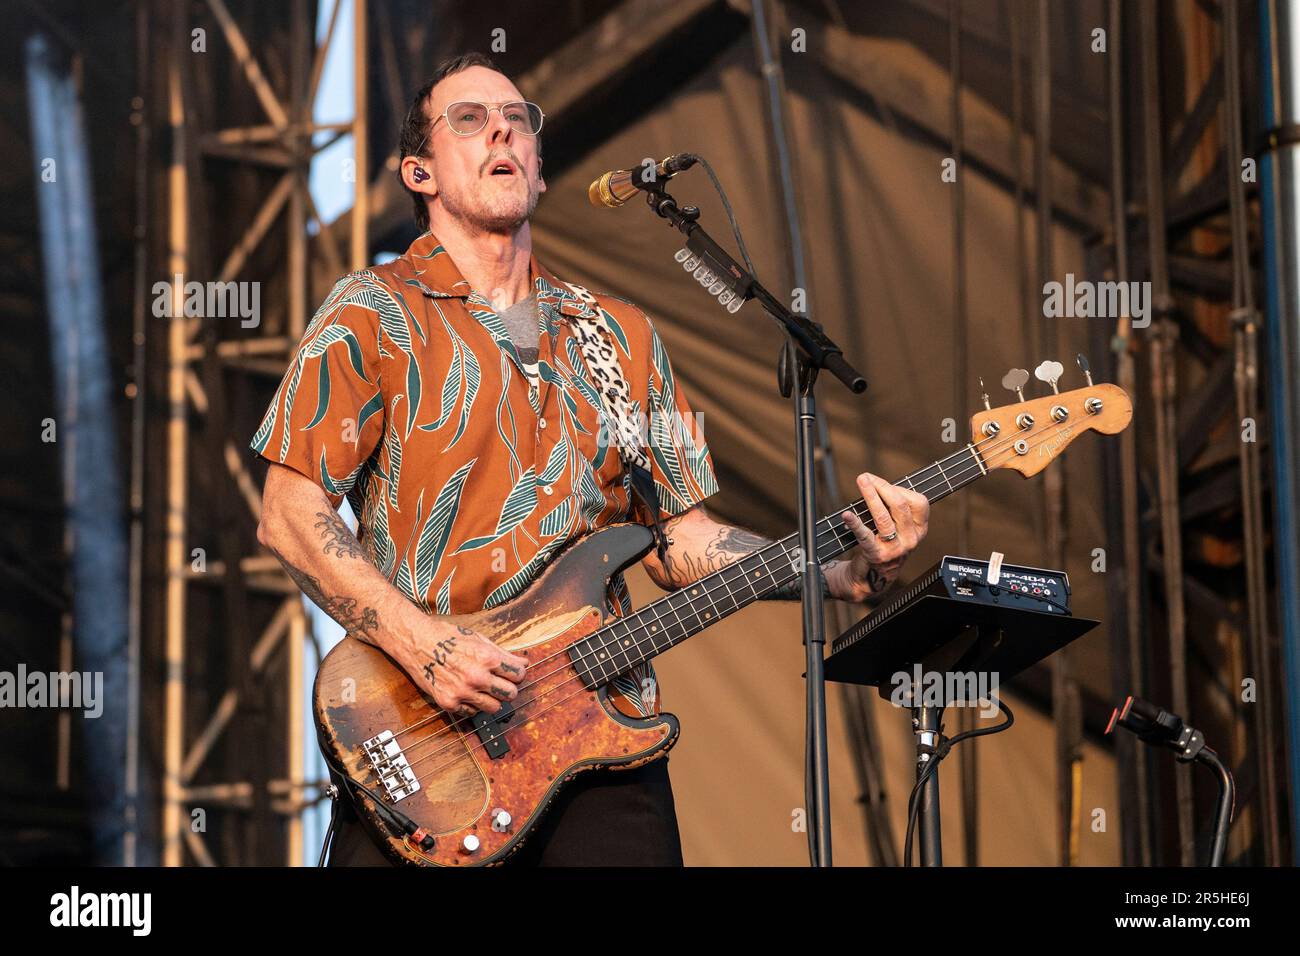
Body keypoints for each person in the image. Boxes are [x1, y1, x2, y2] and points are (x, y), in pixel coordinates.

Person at [250, 52, 930, 866]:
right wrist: (426, 645)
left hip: (603, 740)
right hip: (430, 740)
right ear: (419, 172)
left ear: (536, 170)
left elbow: (685, 543)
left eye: (518, 118)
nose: (502, 127)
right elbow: (290, 512)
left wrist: (837, 573)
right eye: (468, 118)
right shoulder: (372, 312)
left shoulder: (626, 336)